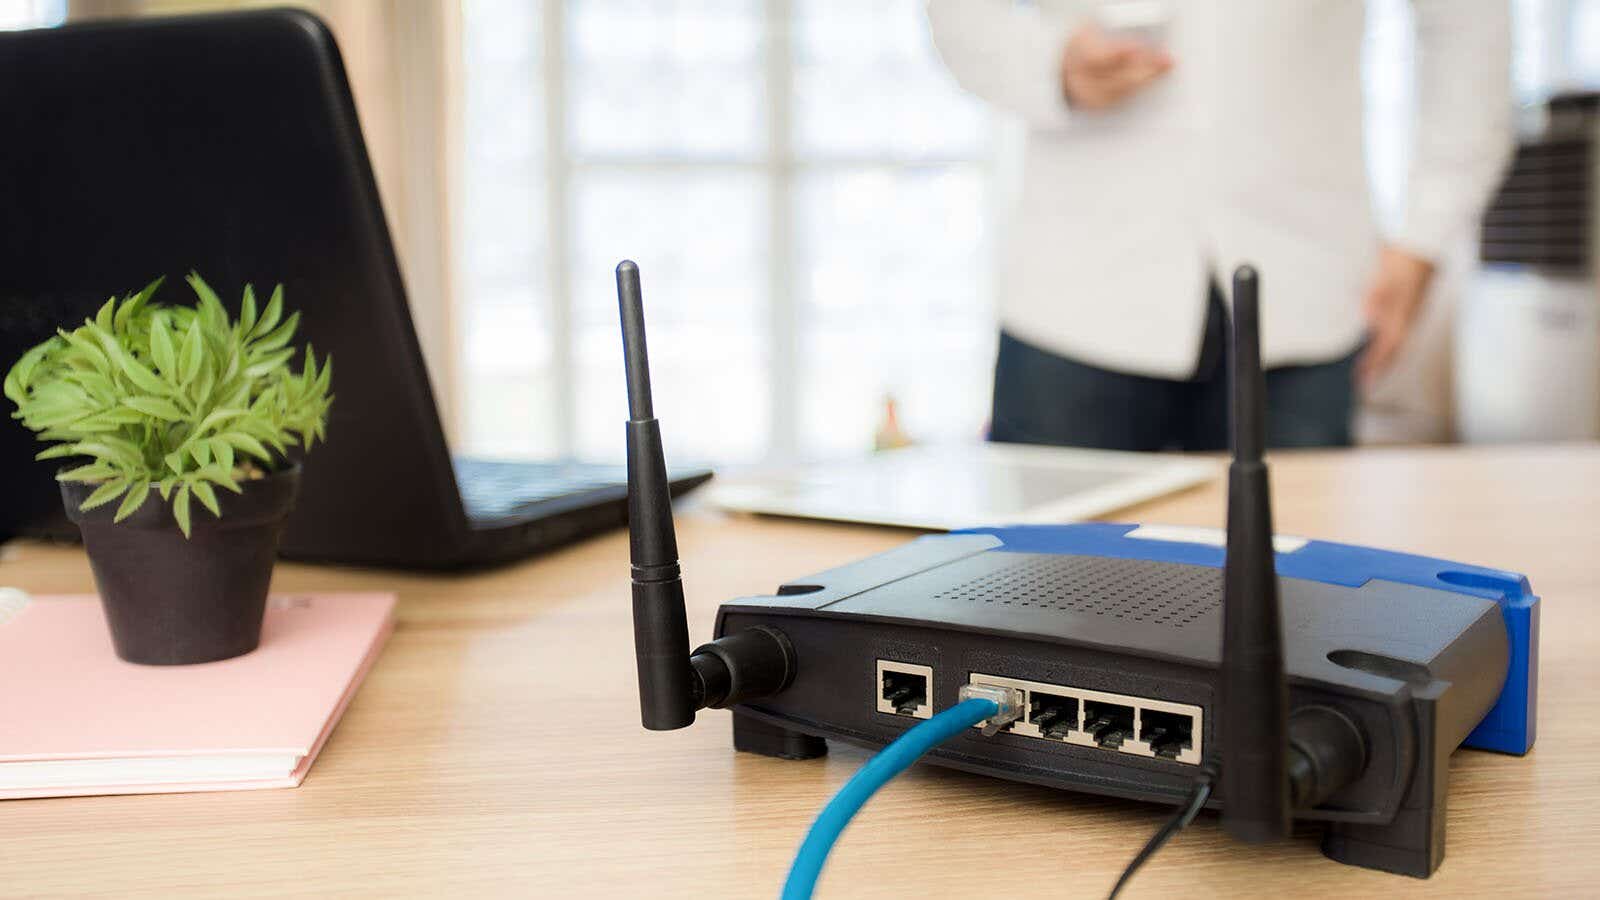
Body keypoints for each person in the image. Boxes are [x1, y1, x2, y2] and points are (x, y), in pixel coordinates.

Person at [926, 1, 1512, 450]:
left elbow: (1469, 29)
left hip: (1306, 285)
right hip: (1073, 297)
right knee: (1039, 595)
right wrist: (1047, 63)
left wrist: (1424, 238)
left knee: (1294, 598)